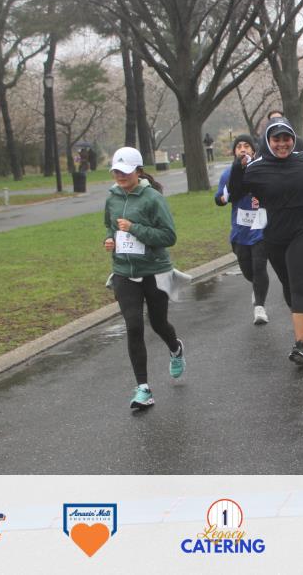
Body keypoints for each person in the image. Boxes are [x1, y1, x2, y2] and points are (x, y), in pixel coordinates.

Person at [228, 117, 303, 366]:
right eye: (277, 139)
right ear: (268, 141)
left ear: (293, 140)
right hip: (274, 236)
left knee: (300, 285)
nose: (282, 144)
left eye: (287, 139)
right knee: (288, 284)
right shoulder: (256, 168)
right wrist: (238, 168)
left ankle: (301, 345)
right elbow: (235, 192)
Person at [103, 147, 184, 410]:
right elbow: (110, 227)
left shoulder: (153, 199)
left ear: (138, 171)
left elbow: (169, 236)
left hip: (154, 271)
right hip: (124, 272)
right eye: (116, 171)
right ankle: (143, 389)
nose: (120, 176)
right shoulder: (112, 198)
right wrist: (109, 240)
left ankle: (175, 348)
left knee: (158, 324)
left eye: (125, 171)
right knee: (134, 326)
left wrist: (135, 228)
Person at [216, 135, 270, 325]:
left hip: (261, 229)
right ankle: (257, 287)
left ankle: (260, 307)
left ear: (253, 150)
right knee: (248, 270)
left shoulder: (263, 170)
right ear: (234, 152)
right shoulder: (228, 174)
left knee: (259, 266)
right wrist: (223, 198)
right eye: (238, 146)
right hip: (240, 231)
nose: (243, 149)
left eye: (247, 146)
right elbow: (219, 199)